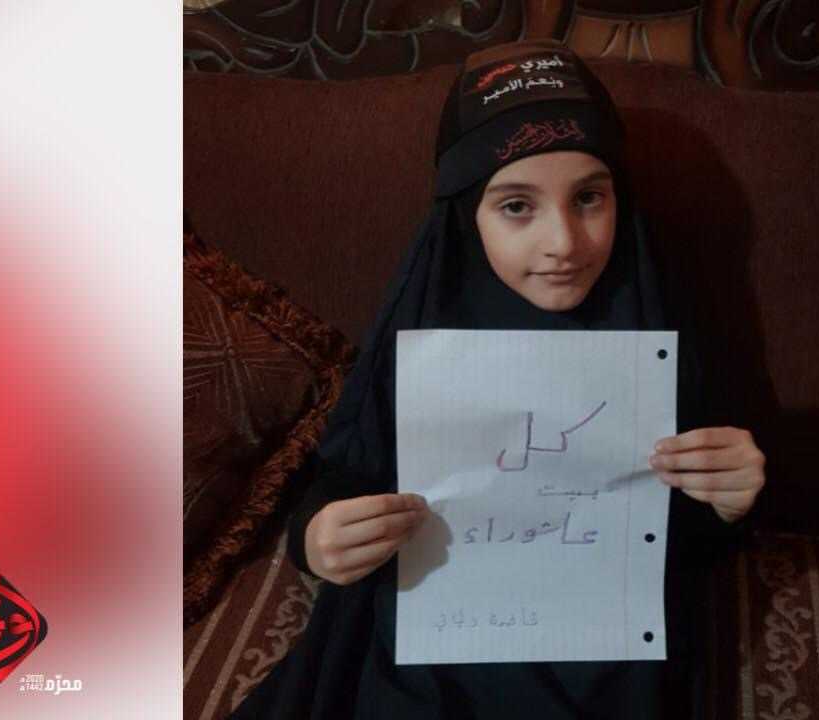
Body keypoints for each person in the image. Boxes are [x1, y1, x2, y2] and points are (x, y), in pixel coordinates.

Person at [230, 39, 767, 720]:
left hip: (601, 649)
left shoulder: (653, 316)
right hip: (437, 642)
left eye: (589, 198)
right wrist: (317, 537)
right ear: (467, 214)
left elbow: (677, 534)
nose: (564, 243)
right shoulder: (427, 318)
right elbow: (347, 472)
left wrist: (731, 499)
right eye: (517, 206)